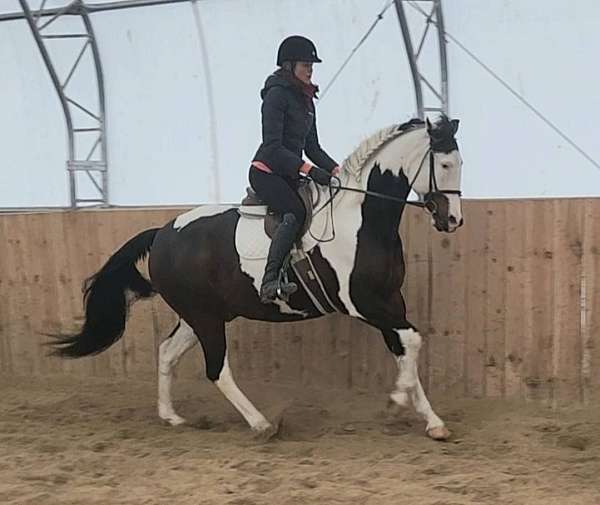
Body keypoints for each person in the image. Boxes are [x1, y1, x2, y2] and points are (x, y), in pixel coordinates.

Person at [249, 35, 340, 304]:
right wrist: (310, 171)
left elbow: (313, 147)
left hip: (289, 173)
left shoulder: (306, 101)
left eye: (312, 64)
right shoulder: (276, 96)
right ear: (289, 66)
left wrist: (337, 170)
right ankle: (270, 279)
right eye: (305, 63)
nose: (311, 68)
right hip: (266, 171)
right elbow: (273, 147)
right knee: (296, 211)